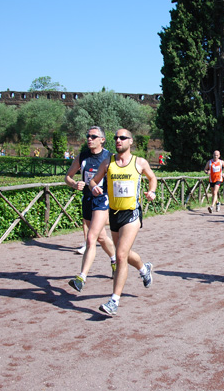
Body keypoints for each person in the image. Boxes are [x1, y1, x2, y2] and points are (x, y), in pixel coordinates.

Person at [88, 128, 157, 316]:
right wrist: (94, 188)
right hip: (114, 213)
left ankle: (114, 301)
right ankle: (144, 268)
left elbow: (152, 178)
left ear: (130, 141)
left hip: (132, 213)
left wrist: (152, 191)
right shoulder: (108, 163)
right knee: (123, 253)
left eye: (122, 138)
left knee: (119, 255)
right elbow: (93, 181)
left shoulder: (139, 162)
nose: (118, 140)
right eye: (116, 138)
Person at [65, 126, 116, 292]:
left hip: (103, 200)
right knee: (101, 237)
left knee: (91, 237)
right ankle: (115, 260)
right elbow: (68, 176)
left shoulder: (109, 157)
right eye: (88, 136)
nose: (89, 139)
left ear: (102, 139)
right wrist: (74, 184)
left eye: (93, 136)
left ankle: (81, 277)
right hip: (87, 199)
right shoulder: (83, 156)